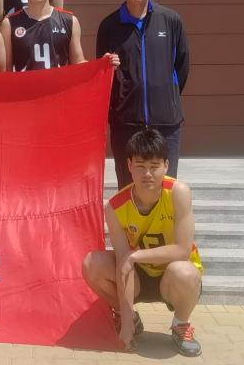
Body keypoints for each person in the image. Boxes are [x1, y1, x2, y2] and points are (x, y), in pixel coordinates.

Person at [81, 128, 204, 356]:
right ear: (129, 165)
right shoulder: (115, 207)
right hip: (137, 277)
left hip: (172, 277)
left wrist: (136, 255)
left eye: (154, 166)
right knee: (92, 264)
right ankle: (128, 317)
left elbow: (182, 250)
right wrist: (127, 323)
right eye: (140, 166)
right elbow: (123, 263)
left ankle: (181, 324)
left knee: (185, 272)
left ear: (166, 165)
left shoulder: (178, 193)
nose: (147, 173)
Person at [96, 0, 190, 189]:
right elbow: (103, 73)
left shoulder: (170, 20)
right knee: (128, 186)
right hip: (125, 123)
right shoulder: (109, 25)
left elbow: (182, 66)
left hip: (166, 122)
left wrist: (166, 95)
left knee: (165, 186)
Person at [1, 0, 85, 71]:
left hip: (59, 83)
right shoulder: (10, 23)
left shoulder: (70, 21)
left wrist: (103, 62)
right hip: (25, 82)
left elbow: (79, 63)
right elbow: (6, 71)